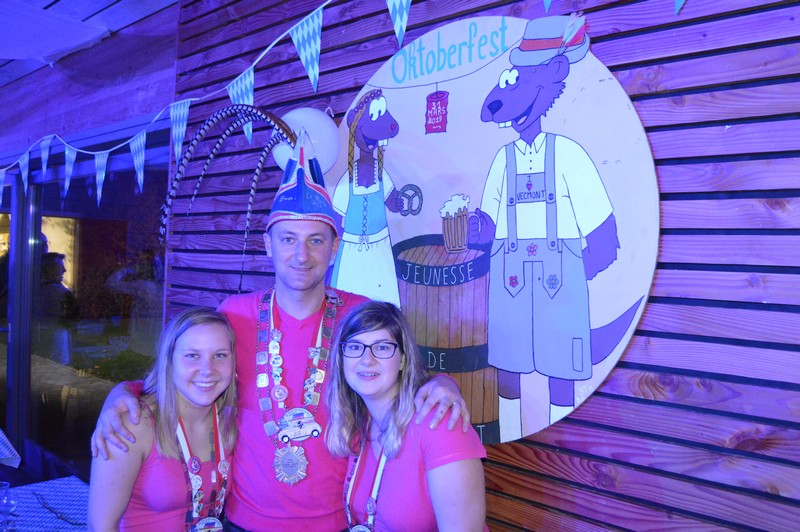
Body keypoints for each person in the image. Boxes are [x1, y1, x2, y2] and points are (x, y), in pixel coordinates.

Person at [91, 135, 469, 531]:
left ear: (334, 248)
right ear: (268, 245)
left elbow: (405, 378)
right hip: (240, 521)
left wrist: (444, 383)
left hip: (337, 523)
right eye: (288, 239)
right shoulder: (232, 314)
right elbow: (184, 373)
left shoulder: (360, 316)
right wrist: (123, 393)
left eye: (315, 240)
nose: (301, 255)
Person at [326, 301, 486, 531]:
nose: (366, 359)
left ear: (402, 359)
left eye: (382, 347)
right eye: (354, 346)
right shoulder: (360, 420)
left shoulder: (439, 425)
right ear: (341, 358)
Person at [87, 307, 237, 531]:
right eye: (192, 356)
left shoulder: (231, 421)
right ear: (169, 360)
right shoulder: (132, 425)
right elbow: (101, 527)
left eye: (220, 355)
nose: (208, 370)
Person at [105, 248, 164, 356]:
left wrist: (127, 270)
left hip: (141, 345)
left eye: (140, 262)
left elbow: (111, 284)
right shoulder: (162, 287)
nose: (137, 264)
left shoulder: (142, 286)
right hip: (157, 344)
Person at [37, 251, 79, 364]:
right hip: (57, 345)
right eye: (60, 267)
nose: (64, 270)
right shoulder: (60, 292)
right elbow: (75, 317)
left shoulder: (31, 290)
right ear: (49, 270)